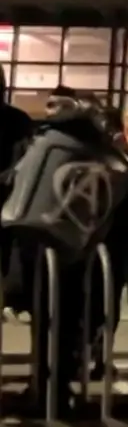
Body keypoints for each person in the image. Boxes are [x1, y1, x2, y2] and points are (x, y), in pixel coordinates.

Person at [4, 86, 128, 414]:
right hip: (77, 244)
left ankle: (44, 389)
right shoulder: (103, 149)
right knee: (66, 319)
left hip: (36, 238)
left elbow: (16, 179)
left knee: (46, 319)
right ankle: (56, 388)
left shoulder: (46, 141)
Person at [0, 66, 35, 318]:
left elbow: (24, 155)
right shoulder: (19, 120)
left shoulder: (18, 121)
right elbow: (25, 156)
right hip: (8, 192)